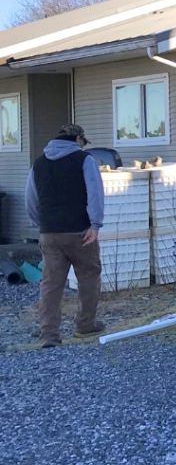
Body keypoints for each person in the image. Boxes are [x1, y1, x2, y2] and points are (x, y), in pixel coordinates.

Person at [25, 123, 106, 347]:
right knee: (89, 277)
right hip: (81, 233)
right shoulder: (84, 160)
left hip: (49, 233)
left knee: (50, 285)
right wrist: (95, 225)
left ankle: (49, 335)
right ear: (79, 139)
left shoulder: (38, 164)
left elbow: (30, 200)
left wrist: (41, 224)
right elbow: (95, 193)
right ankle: (84, 325)